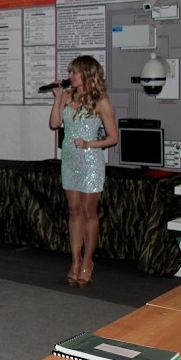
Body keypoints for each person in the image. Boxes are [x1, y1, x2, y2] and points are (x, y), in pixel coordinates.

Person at [48, 55, 118, 287]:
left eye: (74, 72)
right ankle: (75, 261)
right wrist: (58, 98)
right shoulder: (67, 95)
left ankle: (88, 261)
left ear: (86, 74)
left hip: (90, 161)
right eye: (70, 72)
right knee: (74, 210)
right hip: (69, 159)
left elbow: (113, 138)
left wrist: (89, 144)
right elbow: (54, 124)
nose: (70, 76)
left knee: (89, 212)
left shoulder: (101, 101)